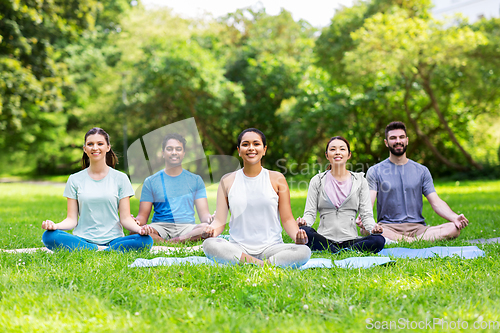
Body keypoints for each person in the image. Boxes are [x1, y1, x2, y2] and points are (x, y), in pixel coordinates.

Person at [201, 128, 311, 268]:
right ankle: (263, 266)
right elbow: (219, 221)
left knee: (304, 251)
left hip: (272, 248)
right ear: (239, 150)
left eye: (256, 144)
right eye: (245, 144)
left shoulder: (277, 179)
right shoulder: (227, 181)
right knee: (210, 244)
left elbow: (287, 218)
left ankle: (250, 264)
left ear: (264, 150)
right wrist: (211, 230)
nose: (251, 148)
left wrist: (297, 236)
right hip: (238, 247)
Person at [42, 127, 154, 252]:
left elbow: (126, 218)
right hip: (83, 238)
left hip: (114, 239)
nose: (95, 148)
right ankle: (102, 249)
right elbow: (71, 220)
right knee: (49, 236)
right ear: (85, 149)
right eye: (90, 144)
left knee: (146, 240)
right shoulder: (74, 179)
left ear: (108, 147)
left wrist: (140, 230)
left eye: (100, 144)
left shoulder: (121, 178)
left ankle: (91, 250)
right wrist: (55, 226)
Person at [363, 121, 469, 242]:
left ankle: (403, 240)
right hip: (388, 227)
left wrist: (454, 217)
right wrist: (365, 219)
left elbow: (436, 202)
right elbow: (368, 202)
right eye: (393, 138)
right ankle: (414, 241)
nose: (398, 141)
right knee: (368, 229)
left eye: (401, 137)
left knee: (453, 228)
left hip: (417, 228)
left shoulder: (422, 171)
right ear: (386, 143)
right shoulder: (375, 171)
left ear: (407, 140)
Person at [296, 136, 385, 254]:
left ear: (349, 155)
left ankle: (335, 251)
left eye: (342, 149)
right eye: (333, 149)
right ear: (327, 155)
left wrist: (373, 228)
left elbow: (366, 215)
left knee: (379, 240)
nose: (337, 152)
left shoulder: (360, 180)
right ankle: (343, 251)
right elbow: (309, 214)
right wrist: (304, 222)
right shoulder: (317, 180)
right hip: (324, 239)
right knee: (304, 231)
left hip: (351, 239)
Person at [134, 133, 213, 243]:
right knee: (136, 232)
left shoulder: (196, 180)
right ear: (163, 153)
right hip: (160, 227)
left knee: (205, 229)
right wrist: (136, 223)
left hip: (187, 227)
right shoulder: (150, 181)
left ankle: (171, 242)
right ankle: (175, 242)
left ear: (184, 153)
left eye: (178, 149)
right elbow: (142, 218)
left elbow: (204, 216)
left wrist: (210, 219)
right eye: (169, 149)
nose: (174, 152)